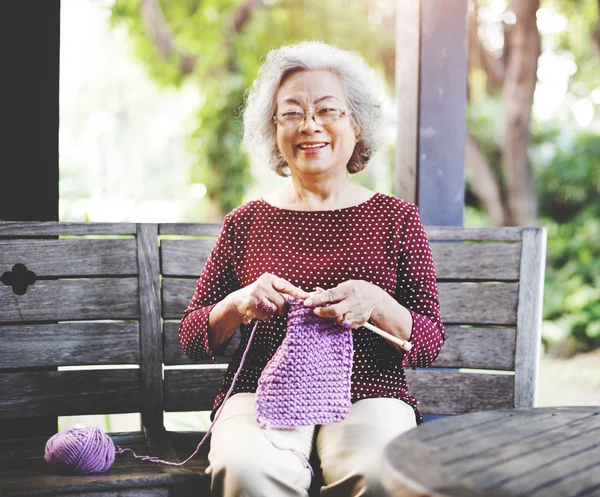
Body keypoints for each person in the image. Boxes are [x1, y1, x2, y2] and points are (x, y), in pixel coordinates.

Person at [179, 40, 445, 497]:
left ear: (356, 125)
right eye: (291, 113)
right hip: (263, 392)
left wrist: (377, 303)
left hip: (371, 390)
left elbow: (428, 340)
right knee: (246, 469)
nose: (309, 126)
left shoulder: (397, 219)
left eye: (327, 111)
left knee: (381, 473)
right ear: (274, 129)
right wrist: (239, 303)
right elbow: (191, 335)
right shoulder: (244, 223)